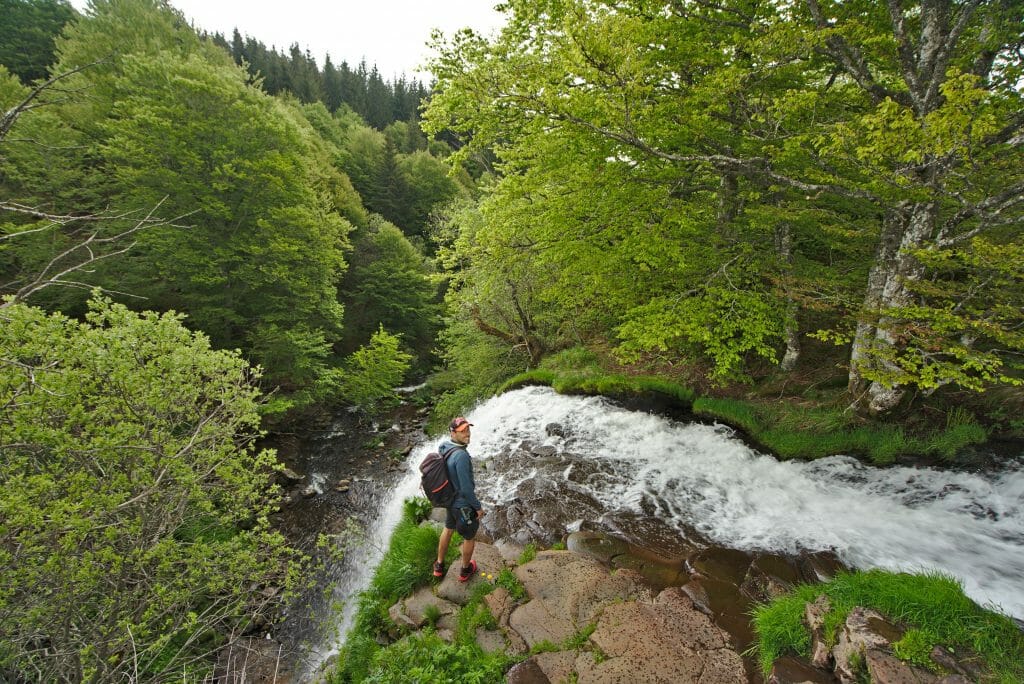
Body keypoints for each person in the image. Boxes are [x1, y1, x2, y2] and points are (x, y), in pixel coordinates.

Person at [434, 416, 485, 582]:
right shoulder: (461, 456)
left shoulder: (444, 447)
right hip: (462, 505)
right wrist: (477, 507)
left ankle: (439, 566)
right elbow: (466, 489)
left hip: (449, 501)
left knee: (448, 529)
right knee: (469, 537)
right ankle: (465, 570)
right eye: (463, 431)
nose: (467, 434)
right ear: (453, 432)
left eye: (468, 430)